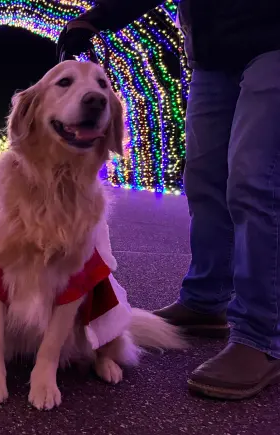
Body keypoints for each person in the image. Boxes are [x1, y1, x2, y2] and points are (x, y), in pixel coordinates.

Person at [58, 0, 280, 400]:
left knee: (254, 180)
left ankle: (262, 334)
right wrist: (98, 17)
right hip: (212, 51)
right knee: (205, 178)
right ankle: (206, 300)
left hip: (273, 38)